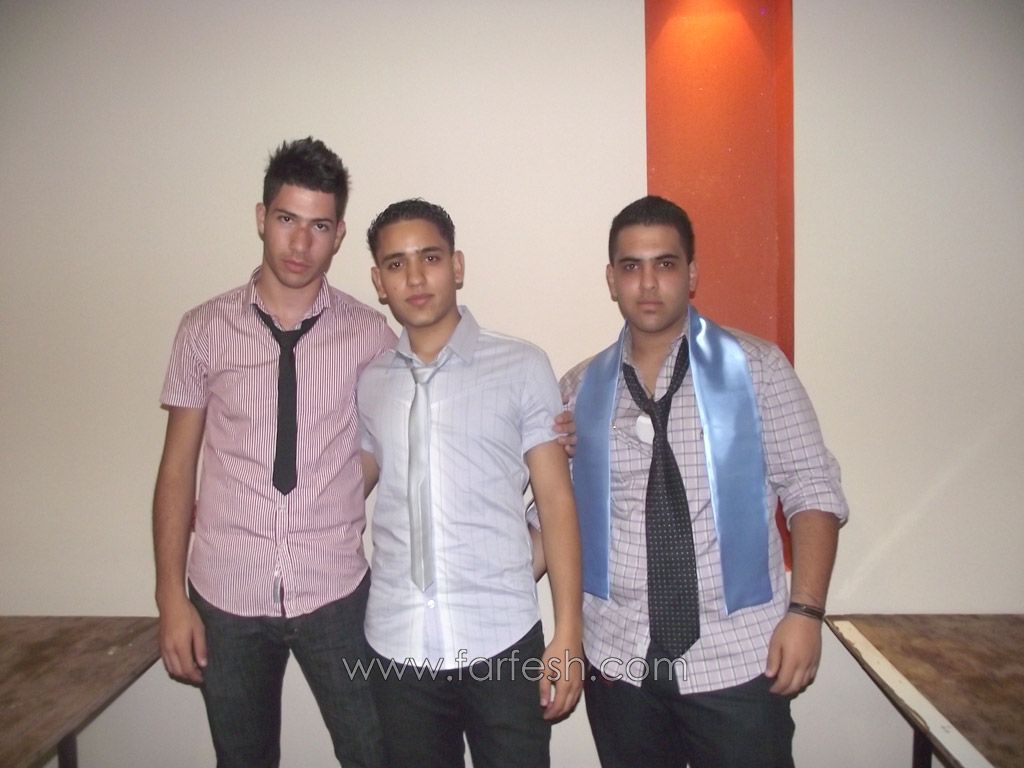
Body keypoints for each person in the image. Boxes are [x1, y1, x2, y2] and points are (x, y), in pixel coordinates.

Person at [564, 195, 848, 768]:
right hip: (619, 661)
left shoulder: (757, 368)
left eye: (665, 264)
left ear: (691, 274)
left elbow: (812, 489)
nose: (648, 283)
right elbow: (555, 515)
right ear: (611, 279)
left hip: (738, 658)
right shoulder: (579, 389)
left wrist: (806, 613)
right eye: (631, 266)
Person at [152, 137, 393, 768]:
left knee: (374, 751)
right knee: (243, 759)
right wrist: (170, 597)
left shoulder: (369, 335)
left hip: (336, 589)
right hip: (227, 592)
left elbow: (399, 442)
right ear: (262, 217)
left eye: (319, 226)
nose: (300, 242)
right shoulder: (203, 330)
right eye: (287, 219)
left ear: (339, 235)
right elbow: (177, 469)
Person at [357, 198, 584, 768]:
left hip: (501, 639)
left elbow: (556, 503)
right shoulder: (370, 382)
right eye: (396, 264)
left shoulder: (521, 366)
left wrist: (568, 634)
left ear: (456, 266)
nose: (415, 277)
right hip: (397, 646)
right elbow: (350, 488)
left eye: (430, 257)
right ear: (379, 282)